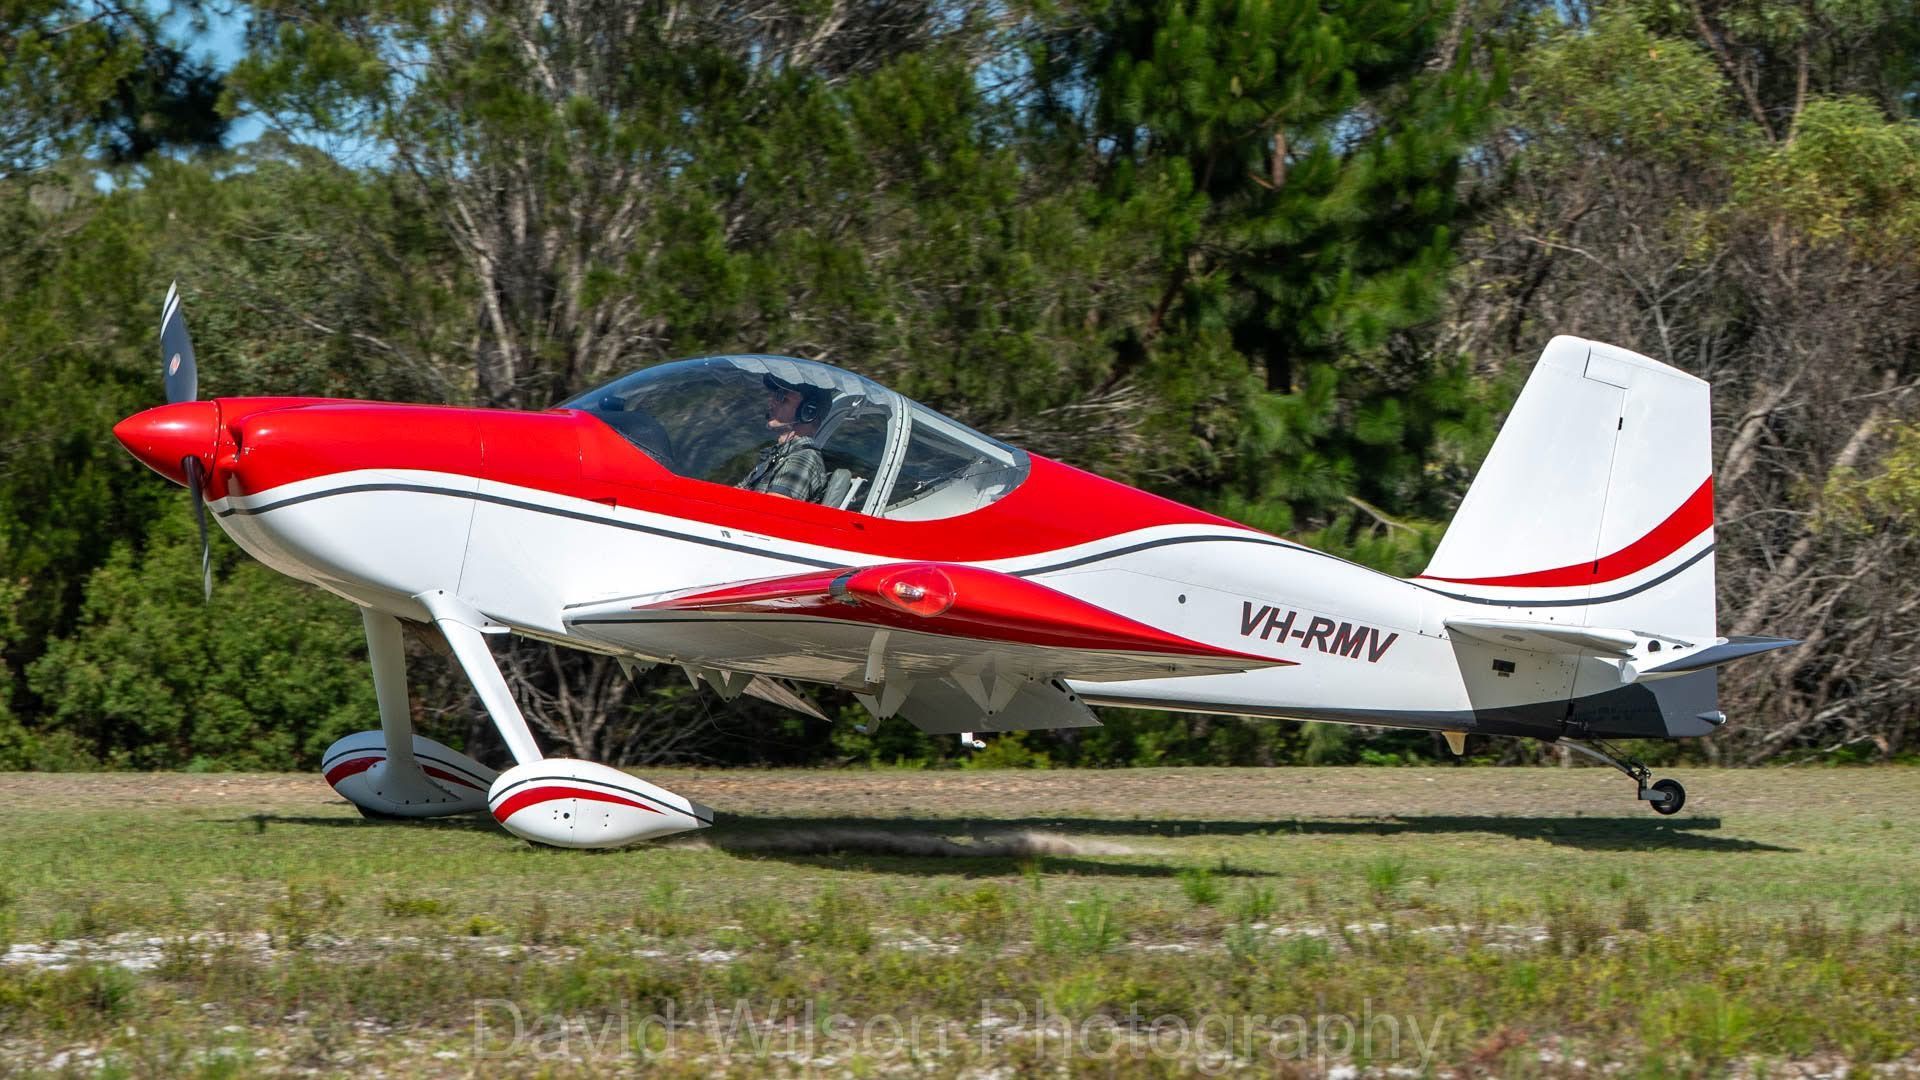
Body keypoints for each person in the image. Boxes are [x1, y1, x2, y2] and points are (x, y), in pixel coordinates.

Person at [739, 374, 831, 502]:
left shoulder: (801, 459)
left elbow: (770, 515)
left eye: (782, 397)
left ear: (808, 411)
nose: (771, 402)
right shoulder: (778, 455)